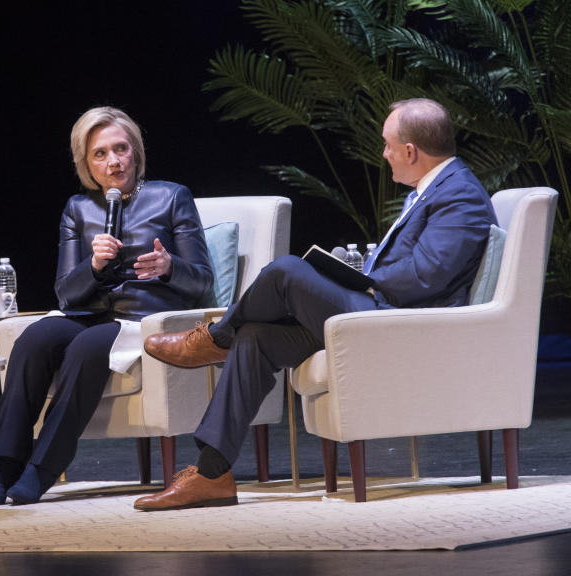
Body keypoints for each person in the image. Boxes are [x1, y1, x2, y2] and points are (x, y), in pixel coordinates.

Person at [136, 98, 497, 510]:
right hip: (379, 312)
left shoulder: (460, 195)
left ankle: (217, 338)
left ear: (411, 151)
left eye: (387, 144)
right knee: (254, 338)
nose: (384, 153)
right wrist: (350, 270)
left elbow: (425, 277)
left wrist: (361, 280)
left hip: (399, 325)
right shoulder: (435, 190)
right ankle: (211, 473)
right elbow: (418, 266)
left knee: (285, 271)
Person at [0, 106, 214, 506]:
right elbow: (66, 293)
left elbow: (204, 283)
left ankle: (41, 470)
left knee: (86, 349)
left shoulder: (171, 197)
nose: (113, 162)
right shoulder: (77, 209)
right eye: (100, 154)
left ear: (135, 151)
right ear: (85, 163)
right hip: (87, 313)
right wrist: (94, 264)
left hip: (141, 319)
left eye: (121, 149)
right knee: (33, 340)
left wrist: (170, 267)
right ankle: (6, 467)